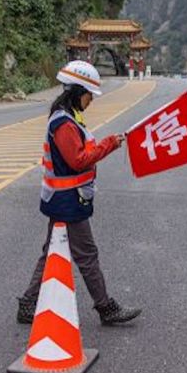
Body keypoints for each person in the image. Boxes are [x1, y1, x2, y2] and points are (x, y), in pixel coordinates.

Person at [17, 60, 141, 326]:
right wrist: (109, 144)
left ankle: (28, 303)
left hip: (64, 199)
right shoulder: (64, 123)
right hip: (67, 201)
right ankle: (105, 307)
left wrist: (110, 143)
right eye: (89, 95)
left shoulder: (70, 117)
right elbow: (78, 160)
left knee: (51, 251)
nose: (91, 101)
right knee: (87, 255)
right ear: (77, 92)